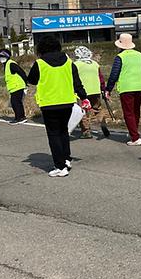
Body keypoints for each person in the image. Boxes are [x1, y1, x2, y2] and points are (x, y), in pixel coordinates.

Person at [27, 35, 90, 177]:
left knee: (54, 134)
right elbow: (77, 83)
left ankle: (60, 166)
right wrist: (84, 97)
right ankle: (67, 159)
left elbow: (31, 80)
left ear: (41, 48)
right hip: (67, 102)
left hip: (49, 104)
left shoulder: (40, 63)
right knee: (63, 132)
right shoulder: (69, 62)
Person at [105, 33, 141, 146]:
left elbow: (114, 74)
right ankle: (134, 132)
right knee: (136, 111)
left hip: (126, 87)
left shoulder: (120, 57)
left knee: (128, 113)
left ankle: (135, 137)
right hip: (140, 86)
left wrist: (108, 89)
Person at [73, 46, 108, 139]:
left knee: (83, 111)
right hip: (96, 90)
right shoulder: (95, 64)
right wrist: (103, 89)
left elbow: (73, 79)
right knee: (97, 108)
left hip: (82, 91)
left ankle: (86, 131)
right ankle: (102, 123)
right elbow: (101, 78)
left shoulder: (76, 64)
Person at [0, 48, 29, 124]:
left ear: (7, 56)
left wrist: (26, 83)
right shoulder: (7, 65)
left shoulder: (11, 64)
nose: (0, 59)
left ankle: (19, 118)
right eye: (0, 57)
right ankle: (20, 117)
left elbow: (21, 72)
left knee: (15, 103)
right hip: (14, 87)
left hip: (18, 86)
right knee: (16, 102)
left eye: (2, 57)